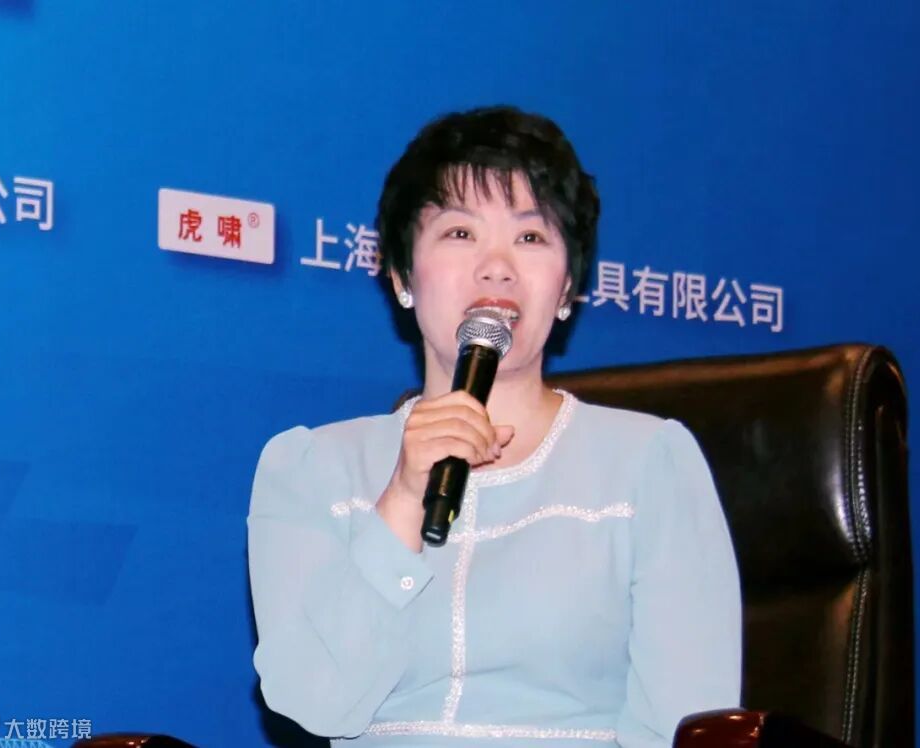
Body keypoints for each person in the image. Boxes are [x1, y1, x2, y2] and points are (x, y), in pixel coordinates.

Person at [247, 106, 741, 747]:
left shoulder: (648, 465)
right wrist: (401, 501)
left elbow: (686, 727)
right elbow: (313, 703)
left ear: (567, 288)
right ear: (401, 275)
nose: (497, 266)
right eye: (459, 232)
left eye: (531, 238)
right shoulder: (314, 469)